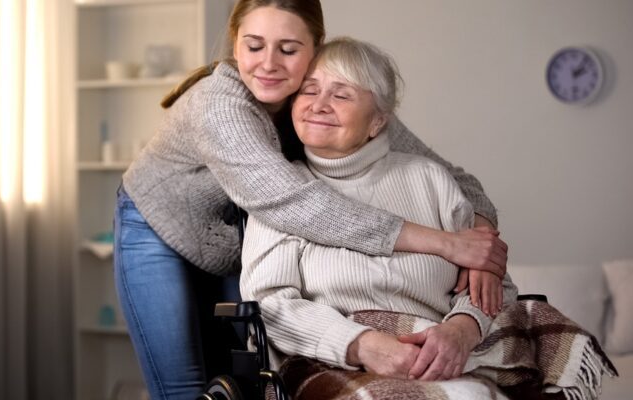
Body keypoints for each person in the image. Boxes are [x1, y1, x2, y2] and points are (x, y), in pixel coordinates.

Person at [114, 1, 507, 399]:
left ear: (315, 48)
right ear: (235, 45)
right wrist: (445, 243)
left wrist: (480, 242)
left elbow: (454, 177)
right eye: (254, 46)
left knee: (244, 378)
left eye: (288, 49)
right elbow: (298, 206)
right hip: (157, 227)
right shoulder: (220, 105)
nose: (269, 64)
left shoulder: (332, 92)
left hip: (234, 238)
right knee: (184, 387)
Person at [240, 37, 615, 400]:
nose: (319, 104)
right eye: (309, 90)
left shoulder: (429, 179)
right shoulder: (284, 192)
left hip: (446, 353)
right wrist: (361, 344)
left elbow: (493, 283)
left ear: (377, 121)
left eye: (341, 94)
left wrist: (461, 330)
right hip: (330, 359)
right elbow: (270, 305)